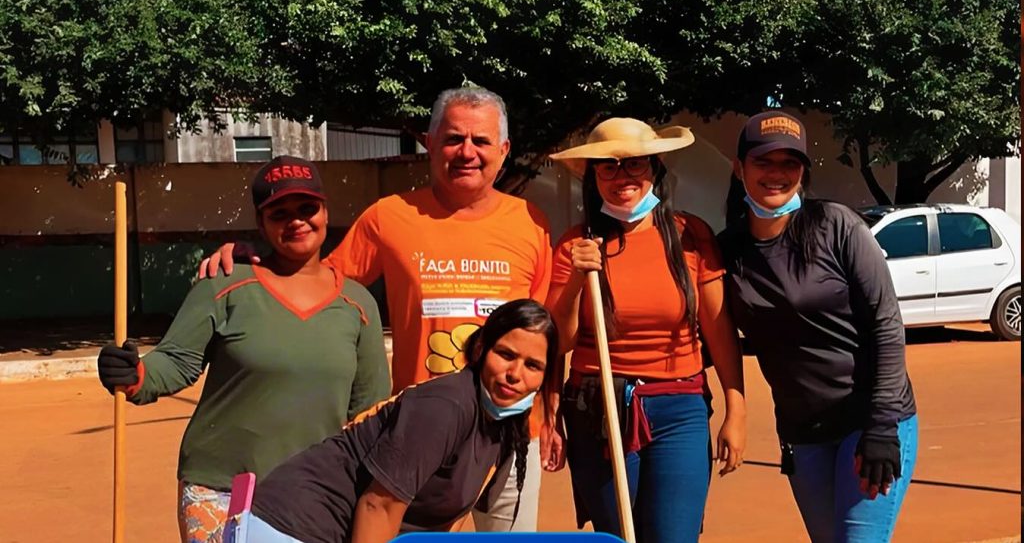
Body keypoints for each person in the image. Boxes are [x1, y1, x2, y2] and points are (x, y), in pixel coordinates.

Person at [198, 87, 554, 531]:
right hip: (419, 436)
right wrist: (254, 258)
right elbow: (319, 283)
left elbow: (546, 335)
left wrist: (551, 415)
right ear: (430, 143)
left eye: (481, 141)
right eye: (453, 139)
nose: (467, 152)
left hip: (513, 430)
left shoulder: (532, 224)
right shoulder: (390, 216)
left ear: (503, 150)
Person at [97, 156, 390, 543]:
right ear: (261, 223)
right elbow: (176, 361)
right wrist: (135, 374)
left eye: (307, 208)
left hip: (314, 492)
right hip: (220, 488)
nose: (296, 221)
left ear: (325, 211)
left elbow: (369, 413)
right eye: (279, 213)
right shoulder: (224, 283)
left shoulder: (358, 305)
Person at [716, 111, 918, 542]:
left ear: (803, 171)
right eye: (763, 162)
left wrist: (882, 427)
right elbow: (710, 332)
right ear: (739, 168)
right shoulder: (728, 250)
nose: (776, 174)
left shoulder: (837, 226)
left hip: (869, 421)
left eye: (789, 163)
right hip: (803, 434)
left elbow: (886, 325)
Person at [544, 118, 747, 543]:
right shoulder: (576, 245)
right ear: (594, 178)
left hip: (681, 408)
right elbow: (559, 341)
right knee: (619, 535)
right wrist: (578, 278)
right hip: (598, 409)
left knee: (675, 535)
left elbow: (718, 329)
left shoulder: (692, 236)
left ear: (655, 168)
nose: (623, 177)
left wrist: (736, 410)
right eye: (609, 166)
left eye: (635, 163)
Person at [226, 299, 560, 543]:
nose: (515, 374)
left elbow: (449, 520)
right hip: (294, 526)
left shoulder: (504, 427)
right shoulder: (446, 406)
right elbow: (378, 506)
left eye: (533, 366)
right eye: (506, 354)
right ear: (480, 349)